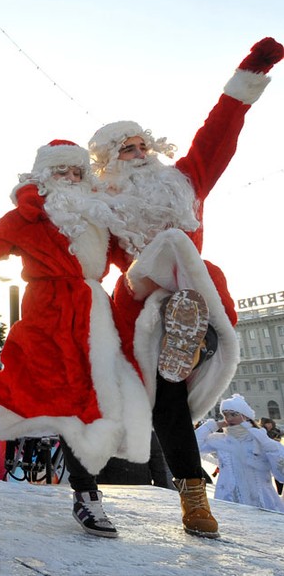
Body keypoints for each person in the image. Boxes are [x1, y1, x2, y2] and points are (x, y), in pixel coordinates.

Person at [91, 36, 283, 538]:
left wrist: (252, 72)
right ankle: (197, 335)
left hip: (191, 294)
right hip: (140, 297)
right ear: (109, 162)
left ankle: (195, 335)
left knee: (168, 396)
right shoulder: (103, 207)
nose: (137, 153)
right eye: (125, 149)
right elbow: (83, 256)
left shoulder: (185, 179)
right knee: (174, 245)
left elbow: (218, 134)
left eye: (141, 145)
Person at [0, 140, 154, 538]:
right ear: (45, 176)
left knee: (100, 401)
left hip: (96, 315)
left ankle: (88, 492)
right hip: (50, 318)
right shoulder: (25, 217)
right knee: (66, 402)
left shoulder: (98, 214)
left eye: (78, 172)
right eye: (63, 172)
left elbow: (132, 260)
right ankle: (86, 495)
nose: (72, 180)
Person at [195, 395, 284, 512]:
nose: (229, 419)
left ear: (246, 416)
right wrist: (213, 426)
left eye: (233, 414)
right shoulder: (221, 440)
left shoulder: (260, 440)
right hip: (228, 501)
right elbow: (193, 445)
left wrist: (267, 444)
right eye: (225, 415)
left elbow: (281, 474)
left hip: (262, 501)